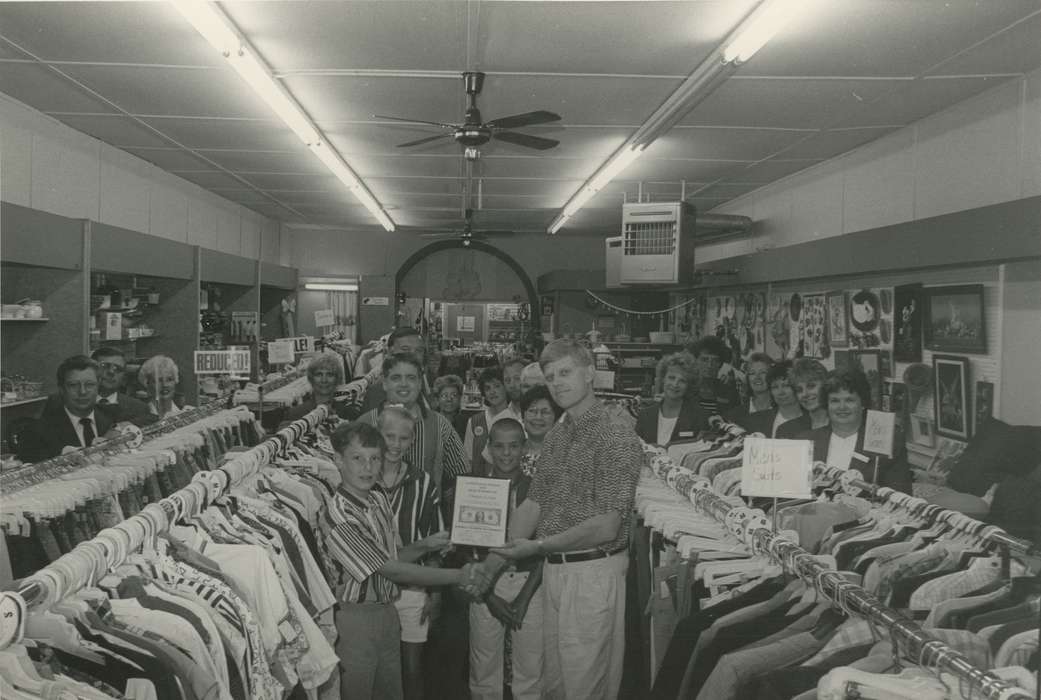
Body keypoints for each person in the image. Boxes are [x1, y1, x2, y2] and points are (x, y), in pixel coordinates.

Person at [484, 339, 644, 699]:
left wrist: (536, 546)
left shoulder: (615, 434)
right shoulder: (559, 433)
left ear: (590, 374)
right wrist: (491, 561)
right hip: (556, 571)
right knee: (554, 684)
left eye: (566, 372)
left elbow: (607, 525)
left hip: (591, 573)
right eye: (551, 376)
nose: (557, 383)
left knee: (584, 685)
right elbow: (534, 505)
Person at [320, 421, 480, 700]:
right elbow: (391, 570)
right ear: (338, 461)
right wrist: (459, 576)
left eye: (375, 459)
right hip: (356, 620)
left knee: (391, 692)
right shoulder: (339, 517)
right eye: (357, 459)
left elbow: (391, 557)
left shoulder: (378, 499)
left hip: (387, 613)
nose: (367, 468)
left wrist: (424, 545)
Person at [467, 419, 544, 700]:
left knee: (531, 665)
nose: (506, 453)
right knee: (484, 665)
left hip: (529, 583)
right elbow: (468, 551)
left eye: (514, 446)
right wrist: (487, 594)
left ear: (524, 448)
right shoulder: (475, 489)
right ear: (489, 448)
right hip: (486, 585)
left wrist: (524, 597)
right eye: (498, 446)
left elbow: (544, 551)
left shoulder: (538, 490)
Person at [376, 406, 442, 700]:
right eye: (389, 436)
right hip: (373, 592)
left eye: (403, 438)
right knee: (380, 668)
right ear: (377, 435)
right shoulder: (361, 479)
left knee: (412, 668)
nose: (395, 444)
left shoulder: (424, 481)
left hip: (414, 587)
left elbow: (435, 539)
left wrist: (436, 591)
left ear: (413, 440)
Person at [357, 352, 468, 516]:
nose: (404, 384)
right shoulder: (364, 426)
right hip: (373, 527)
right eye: (396, 378)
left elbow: (460, 475)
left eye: (411, 378)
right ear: (385, 383)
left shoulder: (440, 425)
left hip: (424, 526)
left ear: (420, 384)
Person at [798, 369, 913, 493]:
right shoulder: (804, 440)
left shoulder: (889, 441)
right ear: (827, 404)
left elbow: (900, 495)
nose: (842, 407)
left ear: (862, 403)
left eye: (849, 400)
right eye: (835, 401)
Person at [16, 355, 116, 462]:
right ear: (62, 389)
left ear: (98, 387)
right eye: (73, 385)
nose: (82, 392)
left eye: (89, 384)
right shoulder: (37, 432)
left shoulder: (113, 417)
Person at [635, 351, 709, 446]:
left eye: (682, 381)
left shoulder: (700, 417)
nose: (675, 385)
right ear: (663, 379)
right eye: (671, 378)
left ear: (689, 386)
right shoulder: (645, 415)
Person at [464, 367, 522, 476]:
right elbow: (469, 459)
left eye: (497, 386)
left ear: (505, 387)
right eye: (487, 388)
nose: (492, 392)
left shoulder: (517, 418)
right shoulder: (474, 422)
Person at [360, 328, 430, 412]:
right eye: (405, 349)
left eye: (419, 350)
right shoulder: (379, 394)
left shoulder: (421, 381)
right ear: (389, 353)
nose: (413, 355)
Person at [90, 346, 155, 427]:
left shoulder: (139, 409)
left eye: (118, 369)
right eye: (105, 366)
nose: (111, 372)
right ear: (90, 369)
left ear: (124, 376)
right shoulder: (76, 404)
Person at [739, 360, 805, 438]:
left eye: (786, 385)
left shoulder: (812, 421)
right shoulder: (755, 420)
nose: (780, 392)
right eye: (775, 387)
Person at [687, 336, 742, 418]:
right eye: (704, 360)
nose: (709, 365)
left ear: (720, 364)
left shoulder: (728, 390)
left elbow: (736, 420)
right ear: (696, 361)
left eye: (715, 360)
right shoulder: (687, 388)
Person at [284, 352, 346, 423]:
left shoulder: (348, 412)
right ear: (311, 378)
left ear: (337, 379)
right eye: (319, 374)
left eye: (329, 375)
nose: (324, 380)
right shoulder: (295, 414)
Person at [777, 358, 830, 437]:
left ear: (825, 386)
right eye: (799, 390)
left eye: (811, 386)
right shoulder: (786, 430)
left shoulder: (843, 425)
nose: (805, 394)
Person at [518, 385, 562, 477]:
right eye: (532, 411)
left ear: (556, 418)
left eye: (545, 412)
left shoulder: (564, 455)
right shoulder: (512, 451)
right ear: (523, 416)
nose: (538, 417)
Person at [139, 354, 190, 420]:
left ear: (175, 382)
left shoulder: (186, 414)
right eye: (158, 380)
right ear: (147, 384)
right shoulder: (141, 416)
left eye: (169, 379)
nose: (164, 385)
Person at [432, 374, 468, 439]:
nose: (449, 399)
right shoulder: (429, 422)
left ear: (460, 398)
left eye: (454, 395)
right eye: (444, 395)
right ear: (437, 399)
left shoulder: (467, 423)